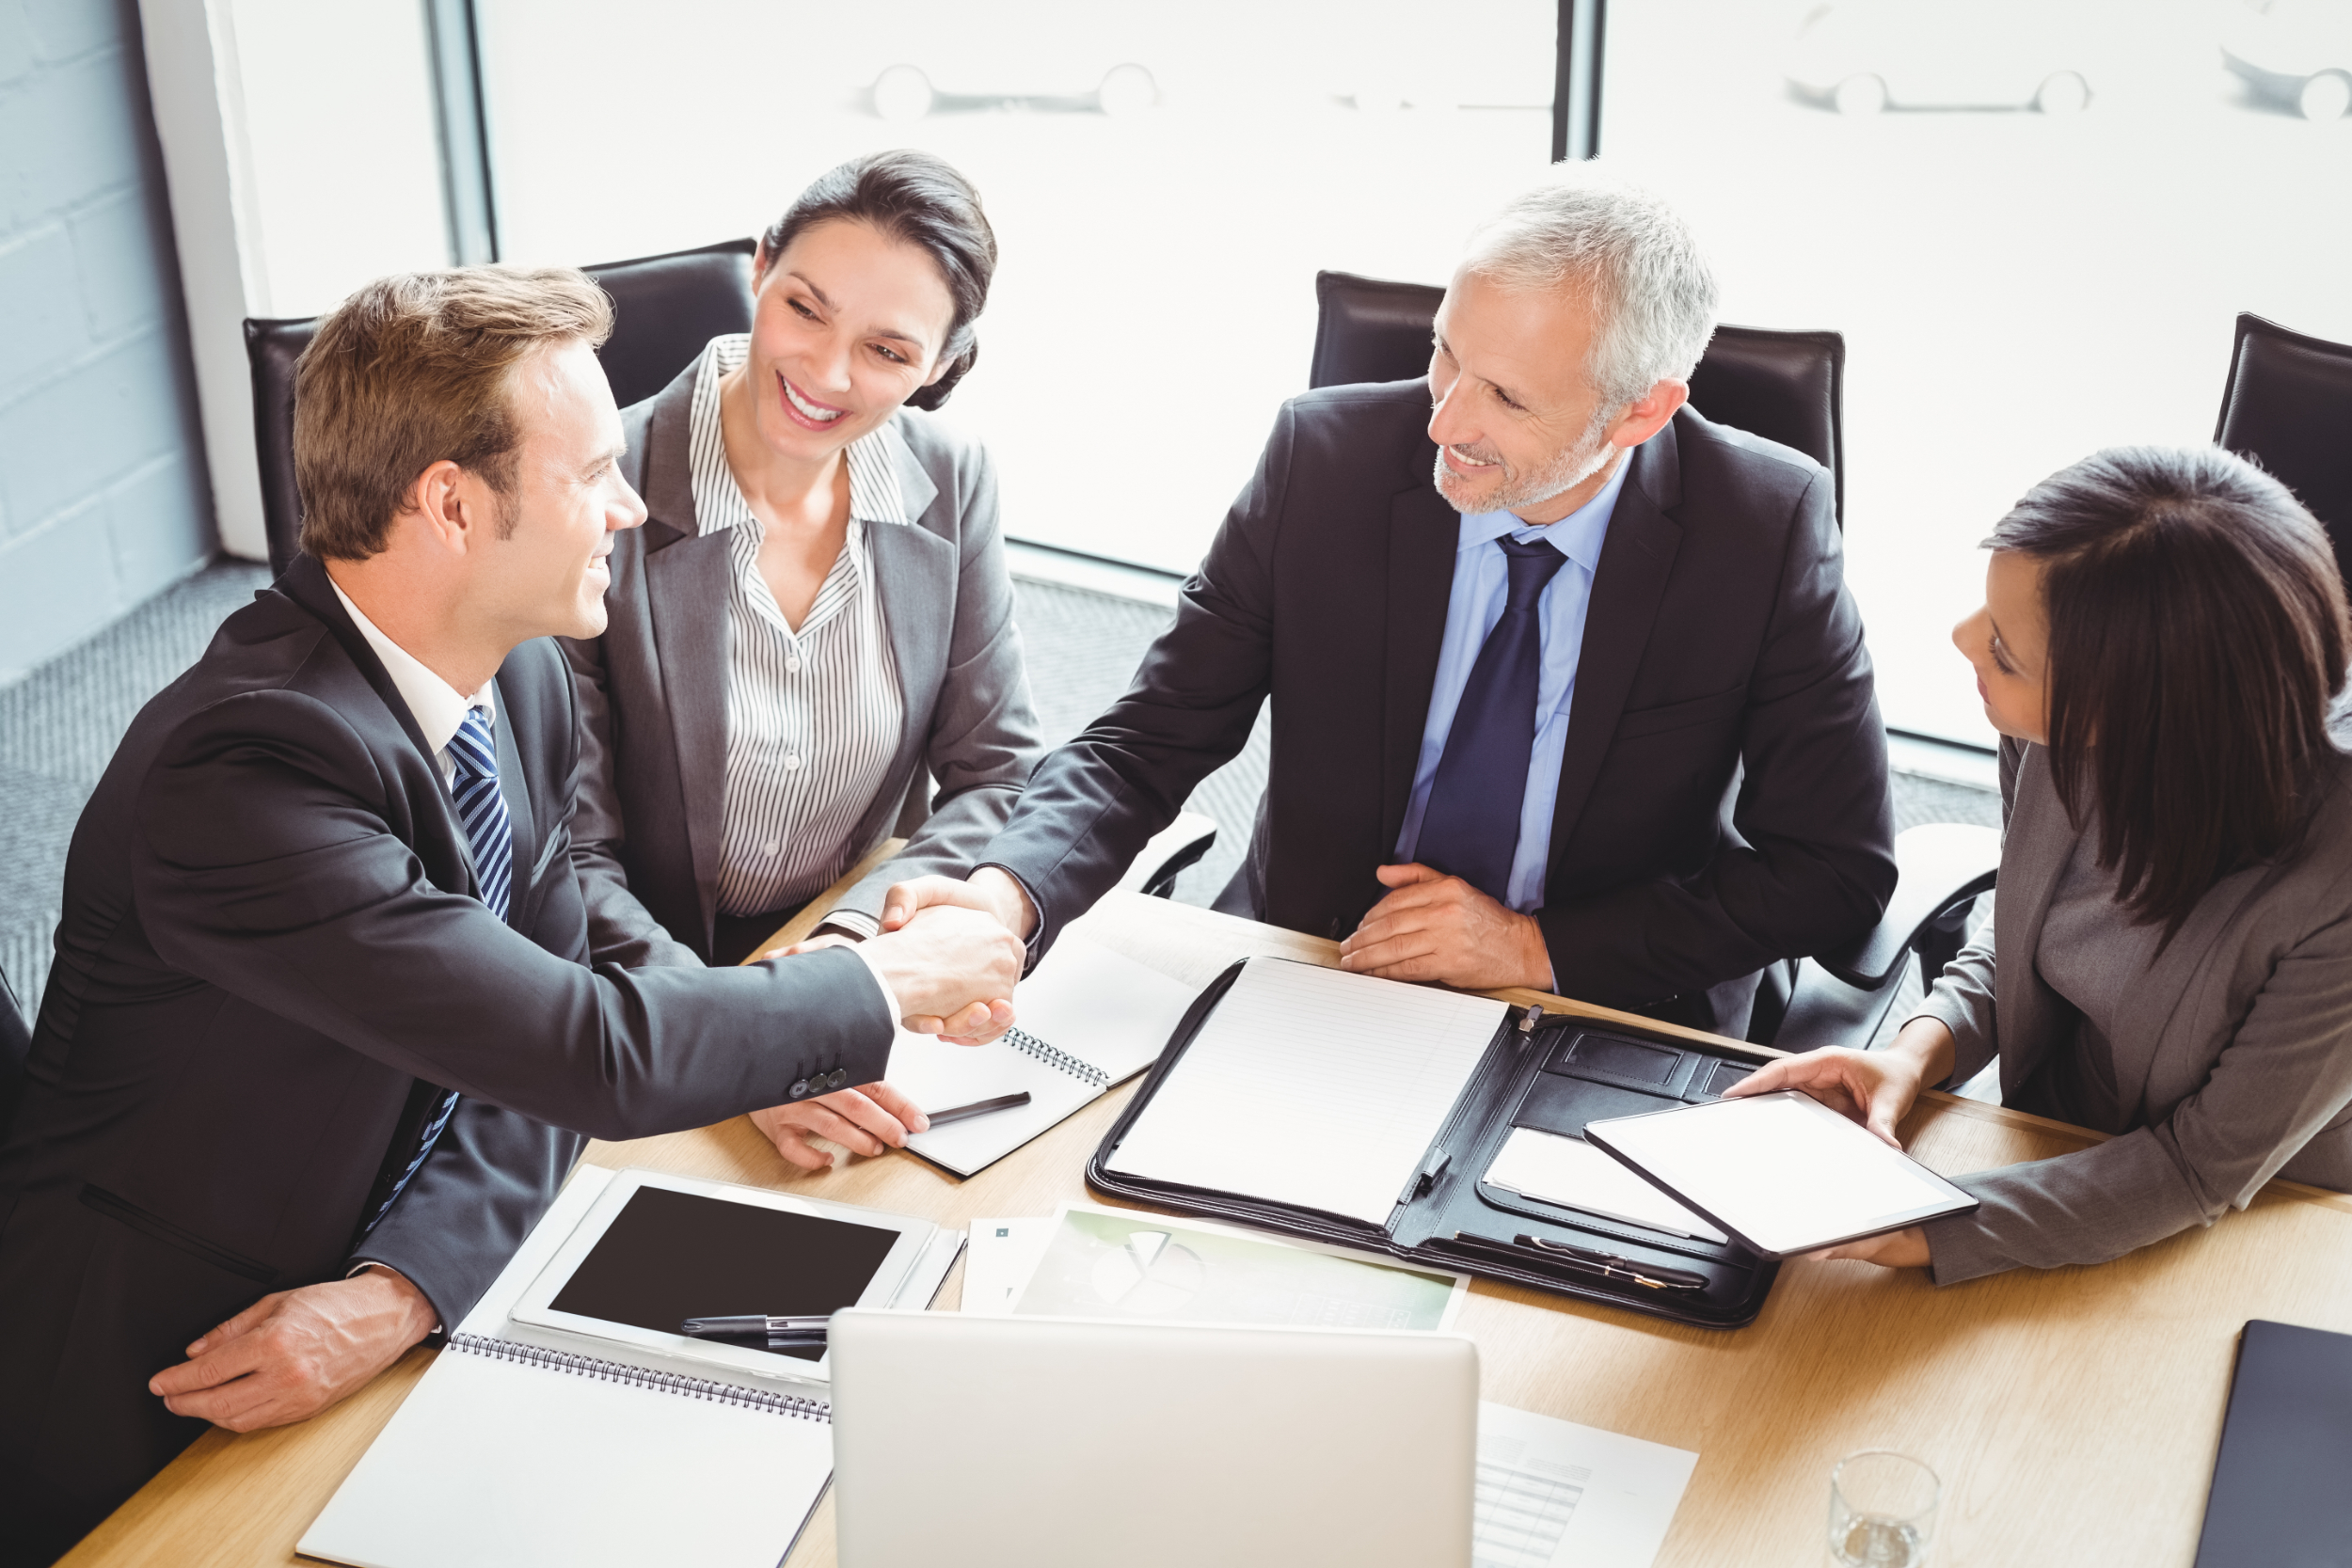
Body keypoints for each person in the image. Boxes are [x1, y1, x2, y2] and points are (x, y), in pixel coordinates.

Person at [0, 267, 1021, 1565]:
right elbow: (581, 1047)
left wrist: (405, 1286)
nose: (633, 504)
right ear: (449, 503)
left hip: (379, 1278)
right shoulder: (247, 774)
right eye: (593, 470)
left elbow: (538, 1039)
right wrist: (890, 978)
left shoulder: (514, 669)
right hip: (163, 1363)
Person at [892, 162, 1897, 1037]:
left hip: (1603, 1002)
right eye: (1445, 352)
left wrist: (1533, 947)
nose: (1445, 420)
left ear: (1642, 409)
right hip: (1315, 965)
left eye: (1506, 397)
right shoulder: (1322, 462)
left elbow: (1834, 869)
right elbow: (1148, 738)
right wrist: (1003, 894)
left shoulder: (1760, 527)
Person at [1729, 445, 2352, 1282]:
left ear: (2137, 711)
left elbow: (2200, 1165)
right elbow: (2024, 923)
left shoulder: (2333, 876)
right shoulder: (2052, 726)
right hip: (2051, 1141)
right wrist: (1917, 1047)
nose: (1960, 641)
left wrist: (1936, 1228)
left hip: (2268, 1212)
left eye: (2004, 650)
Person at [566, 150, 1041, 1173]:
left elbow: (996, 768)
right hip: (640, 979)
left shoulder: (948, 480)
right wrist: (749, 1039)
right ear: (760, 267)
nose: (827, 373)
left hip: (846, 943)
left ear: (940, 365)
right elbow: (568, 855)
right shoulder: (597, 495)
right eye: (805, 308)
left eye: (885, 349)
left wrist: (852, 954)